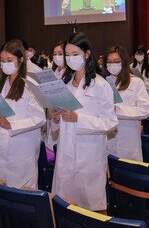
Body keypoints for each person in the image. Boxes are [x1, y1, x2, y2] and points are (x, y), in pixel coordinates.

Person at [50, 32, 118, 211]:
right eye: (68, 55)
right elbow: (57, 126)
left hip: (89, 157)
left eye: (75, 55)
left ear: (87, 54)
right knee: (65, 208)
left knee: (90, 210)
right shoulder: (65, 84)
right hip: (65, 154)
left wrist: (78, 119)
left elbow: (110, 122)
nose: (70, 59)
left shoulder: (101, 85)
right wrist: (56, 119)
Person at [0, 40, 45, 188]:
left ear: (20, 60)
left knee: (22, 196)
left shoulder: (30, 84)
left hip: (22, 150)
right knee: (2, 193)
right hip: (1, 147)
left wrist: (11, 125)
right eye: (2, 61)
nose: (4, 64)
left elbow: (39, 118)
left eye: (9, 60)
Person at [104, 45, 149, 160]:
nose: (112, 65)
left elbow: (146, 110)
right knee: (110, 171)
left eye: (116, 61)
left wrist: (118, 110)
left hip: (128, 137)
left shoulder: (136, 82)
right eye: (109, 62)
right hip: (108, 138)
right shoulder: (103, 82)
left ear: (124, 62)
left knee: (129, 172)